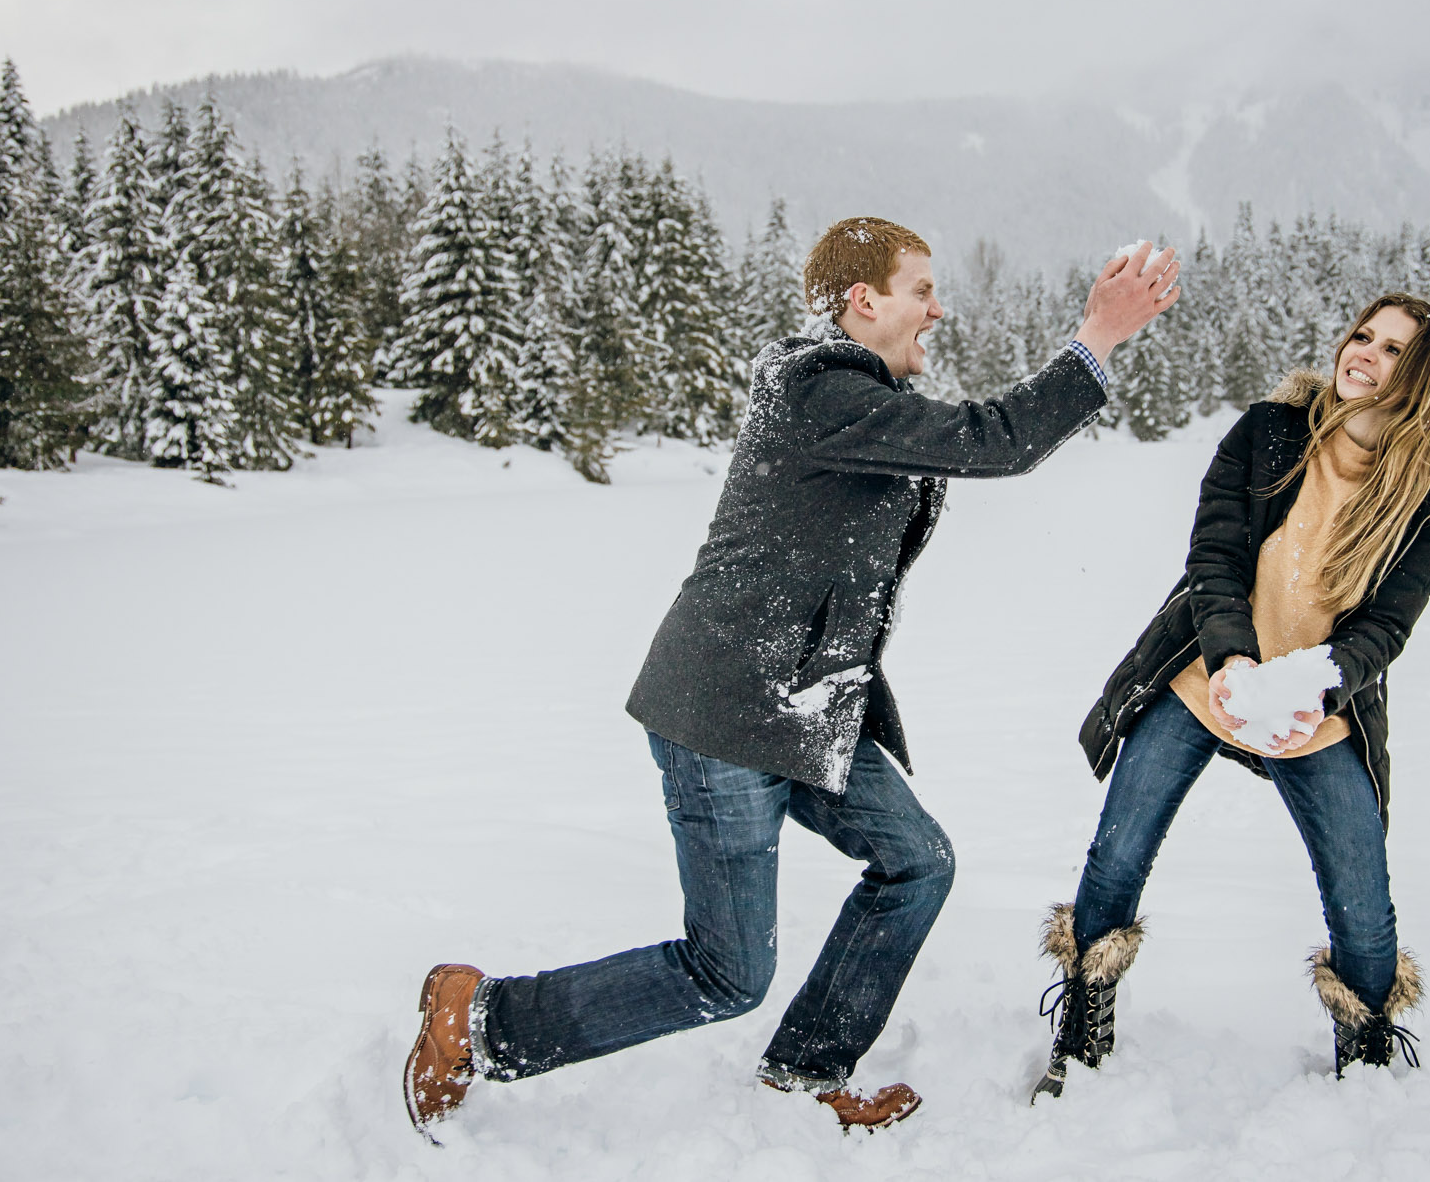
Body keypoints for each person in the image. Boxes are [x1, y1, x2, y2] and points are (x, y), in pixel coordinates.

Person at [405, 218, 1181, 1141]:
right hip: (727, 714)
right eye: (922, 290)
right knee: (725, 971)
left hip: (811, 711)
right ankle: (479, 1020)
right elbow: (995, 439)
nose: (939, 308)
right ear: (865, 301)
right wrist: (1097, 337)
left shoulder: (858, 396)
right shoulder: (819, 390)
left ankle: (807, 1068)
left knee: (917, 862)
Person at [1032, 293, 1430, 1101]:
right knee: (1120, 845)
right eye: (1363, 336)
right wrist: (1235, 660)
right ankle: (1083, 1018)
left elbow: (1385, 628)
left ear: (1421, 377)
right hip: (1206, 673)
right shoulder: (1270, 432)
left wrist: (1313, 684)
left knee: (1362, 895)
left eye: (1391, 350)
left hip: (1315, 709)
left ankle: (1370, 1057)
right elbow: (1212, 557)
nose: (1365, 355)